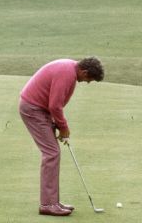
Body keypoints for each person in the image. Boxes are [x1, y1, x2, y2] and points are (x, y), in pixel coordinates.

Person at [19, 57, 104, 217]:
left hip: (39, 109)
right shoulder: (67, 73)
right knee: (52, 153)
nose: (87, 82)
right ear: (84, 72)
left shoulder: (69, 69)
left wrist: (57, 124)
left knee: (53, 152)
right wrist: (64, 128)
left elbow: (52, 104)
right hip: (33, 109)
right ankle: (48, 204)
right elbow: (55, 105)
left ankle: (53, 202)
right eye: (88, 79)